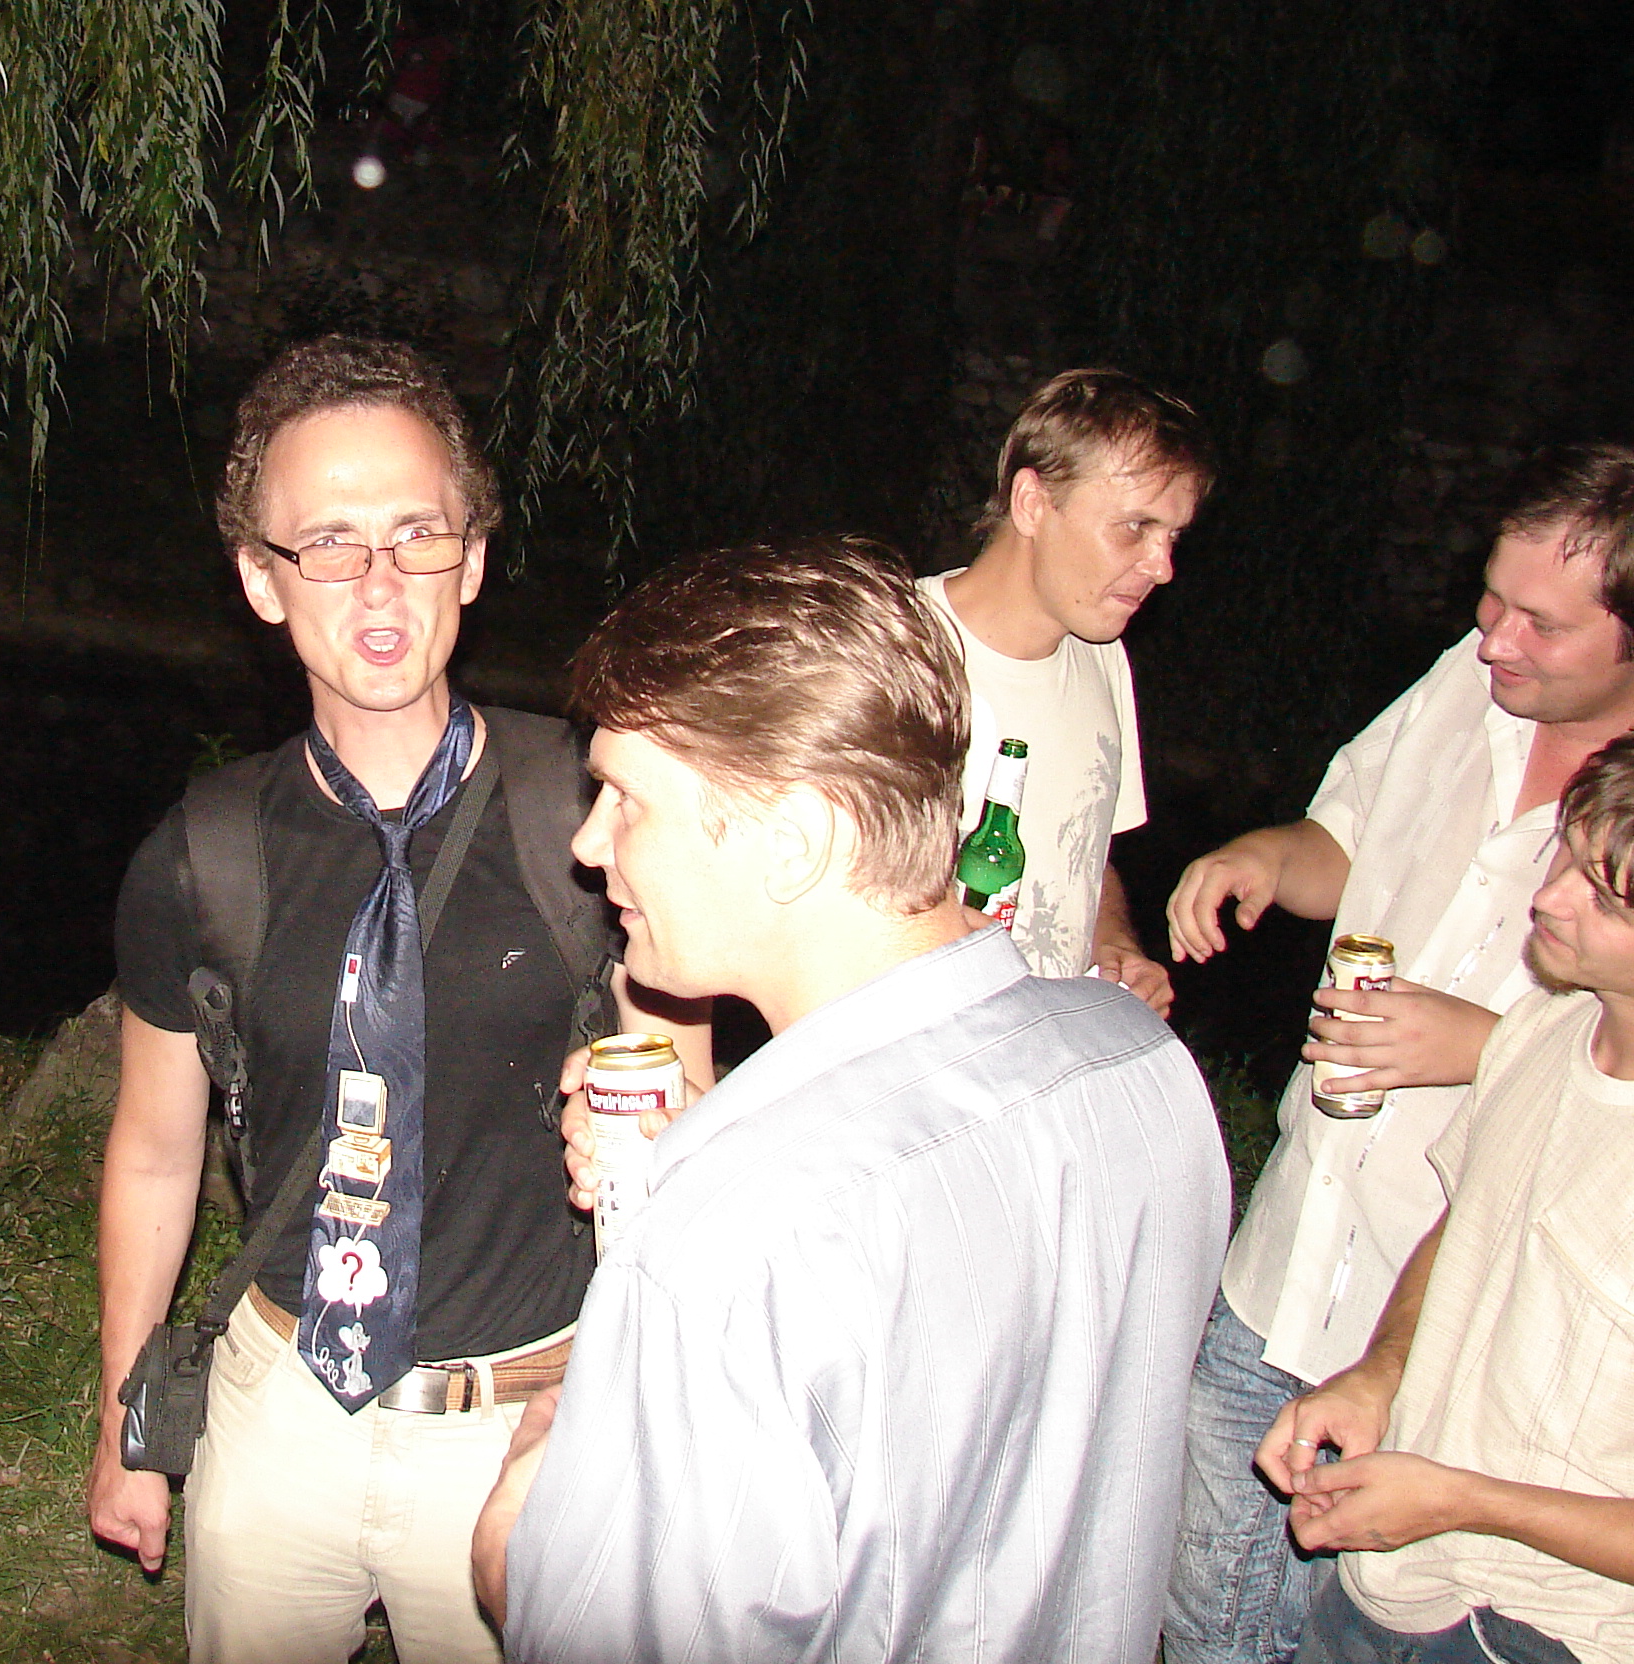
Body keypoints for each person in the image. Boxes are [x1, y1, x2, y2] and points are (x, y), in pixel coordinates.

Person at [476, 538, 1228, 1662]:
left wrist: (516, 1544)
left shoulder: (726, 1241)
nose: (589, 846)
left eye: (627, 799)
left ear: (795, 843)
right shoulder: (1142, 1067)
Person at [89, 337, 712, 1664]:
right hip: (278, 1418)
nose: (379, 580)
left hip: (531, 1425)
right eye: (327, 542)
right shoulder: (203, 852)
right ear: (261, 580)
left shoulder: (597, 813)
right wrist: (125, 1420)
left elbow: (696, 1098)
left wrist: (656, 1119)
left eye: (417, 534)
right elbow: (153, 1151)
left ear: (472, 559)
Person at [1163, 444, 1634, 1664]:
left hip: (1433, 1332)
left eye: (1540, 622)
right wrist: (1269, 857)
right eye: (1491, 598)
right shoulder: (1465, 686)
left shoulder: (1626, 832)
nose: (1493, 637)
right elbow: (1348, 839)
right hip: (1284, 1265)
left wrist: (1485, 1046)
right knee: (1208, 1623)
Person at [1257, 734, 1634, 1664]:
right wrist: (1381, 1375)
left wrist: (1464, 1501)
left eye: (1604, 894)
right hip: (1391, 1592)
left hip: (1542, 1634)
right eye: (1565, 855)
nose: (1548, 898)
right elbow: (1467, 1225)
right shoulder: (1543, 1031)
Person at [921, 366, 1210, 1014]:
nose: (1163, 568)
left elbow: (1084, 852)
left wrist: (1116, 946)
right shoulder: (892, 655)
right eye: (1135, 527)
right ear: (1032, 503)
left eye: (1173, 536)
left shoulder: (1103, 658)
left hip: (1050, 1060)